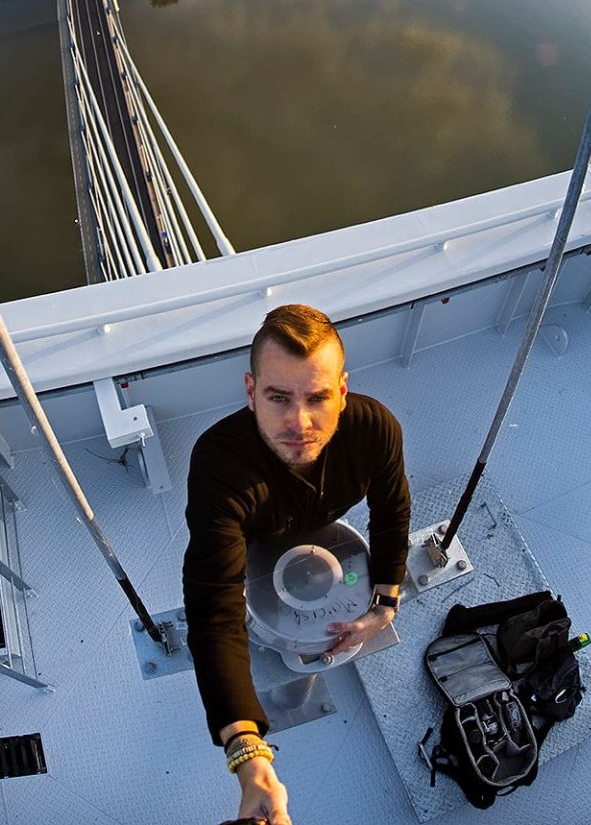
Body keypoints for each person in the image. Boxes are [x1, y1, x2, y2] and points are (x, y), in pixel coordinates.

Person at [183, 305, 411, 825]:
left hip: (324, 530)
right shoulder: (220, 462)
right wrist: (248, 755)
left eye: (317, 398)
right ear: (250, 391)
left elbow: (392, 510)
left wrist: (386, 601)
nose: (299, 423)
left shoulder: (375, 429)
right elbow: (215, 605)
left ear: (343, 390)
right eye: (278, 398)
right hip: (256, 542)